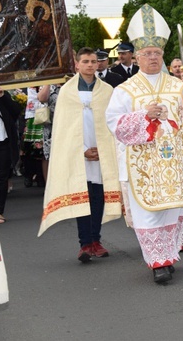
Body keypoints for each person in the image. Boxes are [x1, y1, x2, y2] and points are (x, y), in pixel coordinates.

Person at [106, 5, 183, 284]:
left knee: (171, 210)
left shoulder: (178, 85)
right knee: (148, 213)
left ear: (162, 56)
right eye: (147, 53)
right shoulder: (124, 91)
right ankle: (157, 263)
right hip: (144, 165)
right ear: (137, 56)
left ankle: (168, 254)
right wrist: (144, 116)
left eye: (157, 53)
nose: (152, 57)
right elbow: (114, 124)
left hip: (174, 162)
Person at [38, 47, 122, 261]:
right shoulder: (67, 91)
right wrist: (82, 150)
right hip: (79, 154)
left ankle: (96, 240)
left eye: (93, 61)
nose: (90, 65)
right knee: (82, 197)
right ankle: (85, 244)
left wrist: (103, 149)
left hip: (102, 151)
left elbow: (112, 123)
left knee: (98, 196)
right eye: (85, 61)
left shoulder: (107, 91)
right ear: (77, 64)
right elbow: (63, 129)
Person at [0, 82, 20, 224]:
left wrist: (3, 97)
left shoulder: (1, 93)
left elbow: (16, 111)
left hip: (2, 142)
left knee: (1, 177)